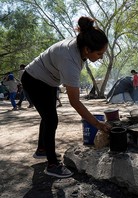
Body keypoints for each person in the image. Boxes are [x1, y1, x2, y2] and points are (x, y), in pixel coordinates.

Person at [21, 16, 111, 178]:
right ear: (87, 50)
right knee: (51, 119)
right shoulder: (70, 59)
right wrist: (97, 124)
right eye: (99, 53)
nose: (101, 57)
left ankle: (42, 150)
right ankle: (52, 165)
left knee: (48, 116)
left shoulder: (79, 45)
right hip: (34, 80)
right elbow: (74, 101)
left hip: (48, 81)